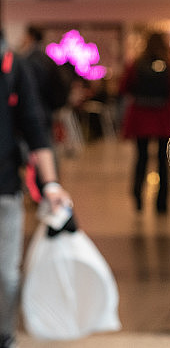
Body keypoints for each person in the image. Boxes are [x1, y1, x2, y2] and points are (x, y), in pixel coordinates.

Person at [1, 31, 73, 348]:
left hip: (5, 188)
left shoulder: (13, 66)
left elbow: (34, 126)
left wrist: (51, 184)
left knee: (6, 274)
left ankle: (5, 333)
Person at [119, 32, 170, 212]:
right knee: (162, 161)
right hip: (163, 117)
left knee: (141, 158)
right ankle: (162, 203)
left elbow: (123, 87)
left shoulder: (136, 63)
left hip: (141, 116)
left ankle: (138, 197)